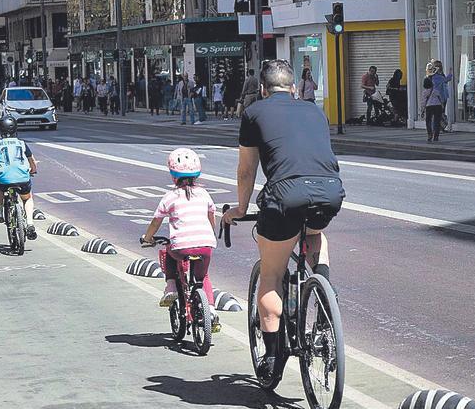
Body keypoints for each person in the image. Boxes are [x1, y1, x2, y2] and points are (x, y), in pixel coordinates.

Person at [222, 60, 345, 380]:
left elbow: (246, 170)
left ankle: (273, 357)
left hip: (284, 197)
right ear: (293, 88)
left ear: (263, 90)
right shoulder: (315, 111)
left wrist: (240, 207)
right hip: (330, 193)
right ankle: (325, 296)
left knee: (272, 276)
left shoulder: (254, 113)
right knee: (315, 235)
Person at [141, 148, 220, 333]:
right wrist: (210, 232)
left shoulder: (170, 197)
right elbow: (211, 216)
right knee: (203, 277)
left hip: (181, 248)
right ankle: (212, 310)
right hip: (205, 245)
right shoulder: (204, 194)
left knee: (169, 251)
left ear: (173, 175)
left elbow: (156, 221)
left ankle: (170, 286)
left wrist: (147, 238)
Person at [0, 115, 38, 241]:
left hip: (4, 180)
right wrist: (33, 170)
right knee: (27, 198)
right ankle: (30, 223)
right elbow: (32, 160)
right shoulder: (21, 143)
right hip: (23, 178)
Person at [422, 76, 444, 143]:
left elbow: (423, 101)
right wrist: (442, 106)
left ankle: (430, 134)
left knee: (428, 121)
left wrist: (422, 109)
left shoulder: (425, 92)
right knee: (437, 121)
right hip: (437, 106)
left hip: (429, 106)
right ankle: (436, 136)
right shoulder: (435, 90)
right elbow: (440, 98)